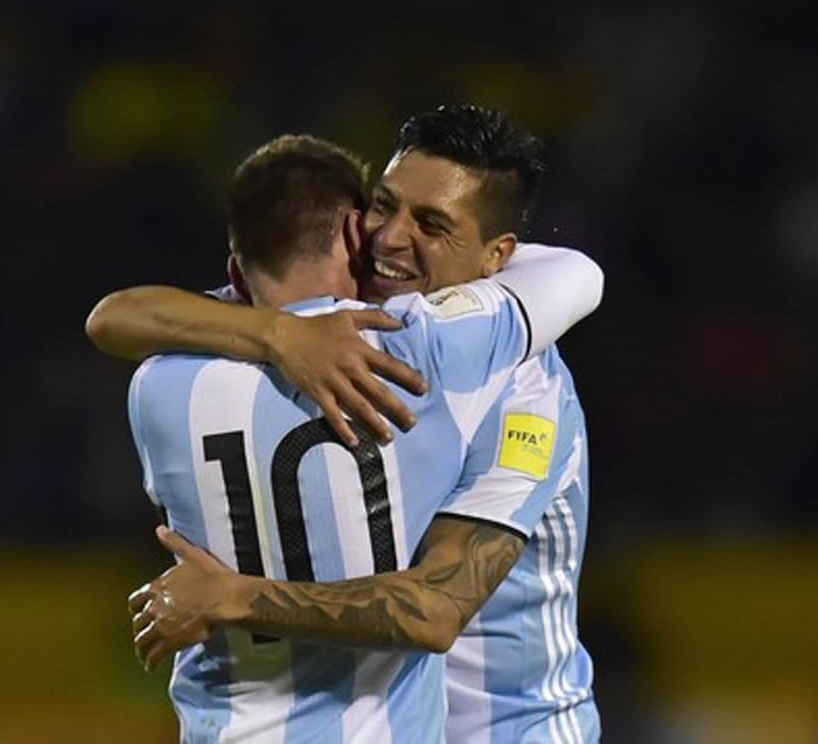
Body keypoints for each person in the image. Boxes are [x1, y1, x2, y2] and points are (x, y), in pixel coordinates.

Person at [102, 105, 601, 742]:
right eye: (384, 205)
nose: (389, 238)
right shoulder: (343, 327)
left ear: (496, 258)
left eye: (431, 225)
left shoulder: (525, 387)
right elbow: (122, 317)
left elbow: (437, 606)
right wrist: (277, 332)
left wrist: (237, 596)